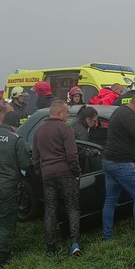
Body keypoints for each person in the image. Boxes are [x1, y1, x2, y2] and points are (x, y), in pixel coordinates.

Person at [0, 105, 30, 267]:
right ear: (15, 125)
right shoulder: (16, 139)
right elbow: (24, 164)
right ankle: (1, 257)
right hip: (8, 187)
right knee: (8, 221)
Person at [33, 100, 83, 257]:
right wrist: (76, 172)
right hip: (66, 173)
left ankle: (51, 248)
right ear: (59, 112)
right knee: (72, 208)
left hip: (47, 175)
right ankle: (74, 244)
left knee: (50, 211)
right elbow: (72, 154)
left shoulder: (39, 131)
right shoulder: (65, 128)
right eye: (67, 112)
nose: (68, 115)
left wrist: (40, 172)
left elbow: (35, 157)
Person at [102, 92, 135, 245]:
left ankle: (107, 236)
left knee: (110, 200)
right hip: (122, 163)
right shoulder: (128, 115)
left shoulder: (119, 111)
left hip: (109, 161)